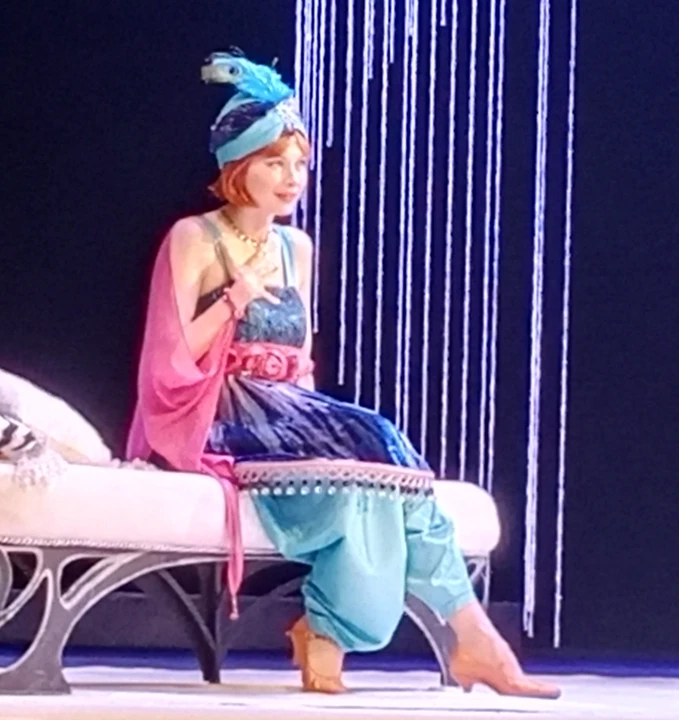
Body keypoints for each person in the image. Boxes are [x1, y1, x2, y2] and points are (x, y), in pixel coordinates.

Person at [126, 49, 559, 699]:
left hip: (288, 415)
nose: (291, 178)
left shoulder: (294, 247)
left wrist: (318, 434)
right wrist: (235, 298)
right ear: (237, 165)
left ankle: (369, 636)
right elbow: (172, 356)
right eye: (274, 162)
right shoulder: (196, 237)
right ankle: (452, 640)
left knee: (375, 485)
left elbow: (299, 361)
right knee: (378, 442)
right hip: (222, 414)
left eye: (299, 164)